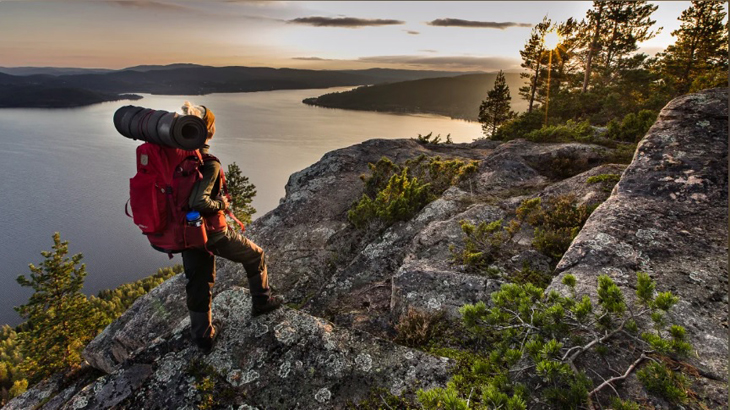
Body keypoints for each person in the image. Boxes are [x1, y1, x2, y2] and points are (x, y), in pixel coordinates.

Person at [181, 101, 282, 352]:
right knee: (255, 255)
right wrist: (221, 202)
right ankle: (262, 302)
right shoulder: (208, 162)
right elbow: (199, 201)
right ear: (208, 130)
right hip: (212, 232)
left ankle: (203, 337)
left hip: (186, 231)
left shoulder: (181, 159)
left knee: (199, 282)